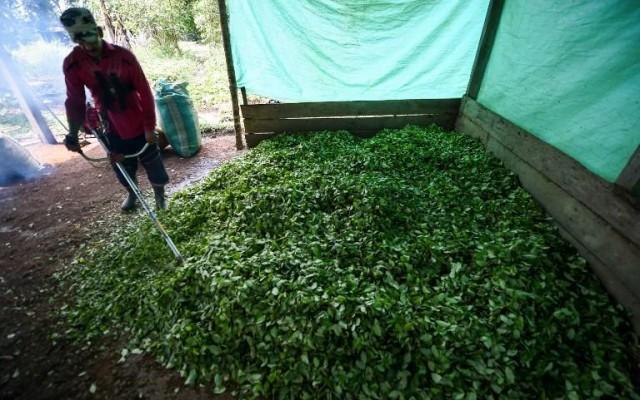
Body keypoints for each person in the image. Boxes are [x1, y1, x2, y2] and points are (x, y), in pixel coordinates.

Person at [59, 7, 169, 211]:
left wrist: (149, 127)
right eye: (83, 44)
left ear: (99, 32)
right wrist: (73, 134)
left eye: (92, 42)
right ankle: (132, 193)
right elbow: (74, 101)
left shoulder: (124, 57)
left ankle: (160, 196)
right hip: (109, 125)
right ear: (76, 42)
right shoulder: (73, 64)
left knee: (152, 161)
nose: (90, 48)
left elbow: (144, 92)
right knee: (121, 165)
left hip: (136, 118)